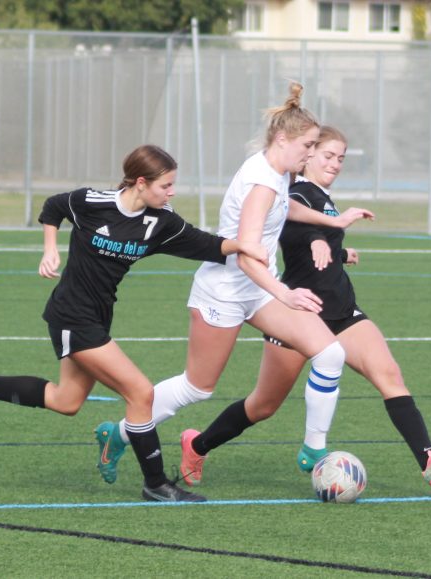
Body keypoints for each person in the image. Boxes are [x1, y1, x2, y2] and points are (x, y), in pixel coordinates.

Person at [0, 144, 269, 503]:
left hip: (97, 316)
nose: (172, 192)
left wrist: (245, 246)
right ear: (141, 183)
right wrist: (50, 248)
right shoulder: (92, 202)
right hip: (72, 315)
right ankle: (156, 484)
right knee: (141, 393)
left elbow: (206, 244)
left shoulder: (161, 222)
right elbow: (53, 207)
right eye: (166, 185)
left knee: (66, 400)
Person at [94, 83, 374, 487]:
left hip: (257, 289)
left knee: (329, 353)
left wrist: (332, 222)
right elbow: (244, 255)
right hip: (224, 293)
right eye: (309, 145)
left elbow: (286, 205)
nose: (312, 154)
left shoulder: (276, 172)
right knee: (197, 387)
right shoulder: (262, 181)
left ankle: (314, 450)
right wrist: (285, 293)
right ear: (283, 139)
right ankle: (117, 433)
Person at [177, 126, 431, 488]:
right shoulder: (295, 190)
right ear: (308, 154)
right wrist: (315, 239)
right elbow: (288, 229)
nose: (335, 163)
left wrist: (338, 252)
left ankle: (428, 458)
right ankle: (198, 444)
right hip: (299, 312)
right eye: (327, 155)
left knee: (389, 375)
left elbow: (316, 240)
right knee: (263, 406)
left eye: (341, 158)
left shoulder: (323, 197)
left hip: (343, 310)